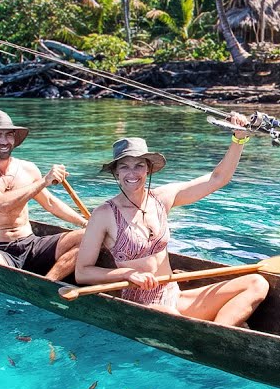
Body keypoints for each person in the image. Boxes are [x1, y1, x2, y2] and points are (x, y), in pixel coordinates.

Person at [74, 115, 268, 327]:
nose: (132, 173)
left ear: (148, 168)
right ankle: (215, 332)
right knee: (171, 315)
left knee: (257, 283)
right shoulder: (104, 214)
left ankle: (219, 332)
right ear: (116, 172)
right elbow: (82, 273)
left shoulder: (162, 198)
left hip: (173, 295)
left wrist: (238, 139)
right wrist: (128, 274)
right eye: (124, 167)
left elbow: (217, 179)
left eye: (139, 165)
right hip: (141, 304)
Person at [0, 110, 88, 281]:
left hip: (30, 243)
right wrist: (44, 181)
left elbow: (50, 202)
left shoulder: (28, 169)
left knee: (88, 237)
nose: (4, 141)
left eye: (9, 135)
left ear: (14, 138)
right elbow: (2, 204)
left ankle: (47, 283)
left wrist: (85, 223)